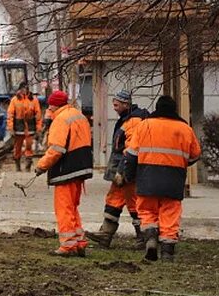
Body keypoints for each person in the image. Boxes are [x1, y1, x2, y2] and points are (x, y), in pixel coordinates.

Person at [122, 95, 201, 262]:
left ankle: (150, 239)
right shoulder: (185, 129)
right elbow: (195, 155)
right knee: (170, 214)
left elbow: (130, 155)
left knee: (147, 211)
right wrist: (180, 162)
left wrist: (128, 175)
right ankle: (167, 252)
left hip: (147, 177)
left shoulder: (144, 126)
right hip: (174, 178)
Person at [86, 90, 149, 249]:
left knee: (133, 203)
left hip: (127, 170)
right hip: (125, 169)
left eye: (116, 105)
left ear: (125, 104)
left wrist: (122, 171)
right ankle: (106, 235)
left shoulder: (133, 121)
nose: (114, 108)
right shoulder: (129, 119)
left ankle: (143, 237)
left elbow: (131, 149)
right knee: (114, 200)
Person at [34, 90, 93, 257]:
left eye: (49, 105)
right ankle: (79, 242)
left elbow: (56, 149)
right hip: (81, 167)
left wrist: (41, 166)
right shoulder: (77, 115)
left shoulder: (60, 119)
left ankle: (67, 246)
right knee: (73, 208)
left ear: (53, 105)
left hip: (66, 169)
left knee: (64, 209)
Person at [6, 82, 43, 171]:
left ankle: (28, 166)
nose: (24, 90)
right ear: (19, 89)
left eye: (25, 88)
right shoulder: (14, 100)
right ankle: (18, 166)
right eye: (22, 88)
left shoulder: (33, 100)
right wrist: (11, 128)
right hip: (18, 127)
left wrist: (39, 128)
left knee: (29, 146)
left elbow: (38, 115)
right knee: (17, 147)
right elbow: (10, 114)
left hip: (30, 127)